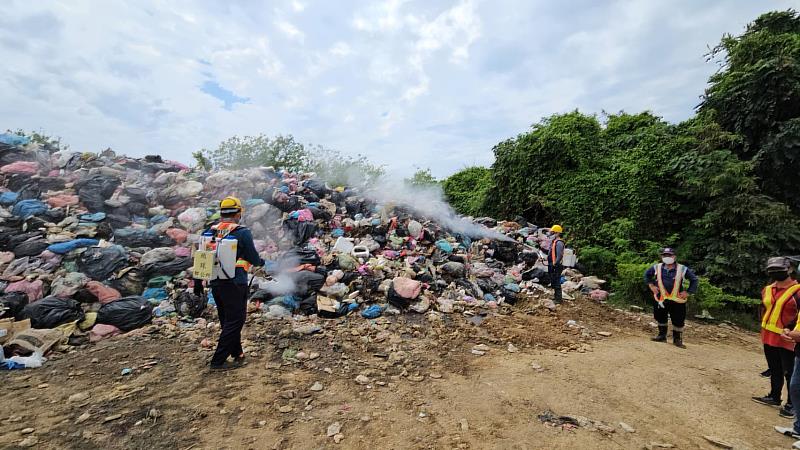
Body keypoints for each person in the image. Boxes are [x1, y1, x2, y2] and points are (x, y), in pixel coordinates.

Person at [195, 196, 264, 371]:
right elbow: (253, 258)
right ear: (238, 213)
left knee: (227, 319)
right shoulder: (241, 232)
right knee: (236, 320)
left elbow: (201, 257)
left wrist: (197, 281)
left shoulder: (208, 232)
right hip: (235, 282)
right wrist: (260, 262)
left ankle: (237, 352)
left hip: (216, 282)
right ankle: (218, 361)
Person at [753, 257, 800, 418]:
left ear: (790, 270)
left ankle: (791, 405)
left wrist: (792, 331)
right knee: (775, 368)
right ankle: (774, 396)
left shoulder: (797, 291)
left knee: (790, 372)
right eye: (772, 270)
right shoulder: (767, 289)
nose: (775, 272)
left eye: (779, 269)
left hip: (788, 338)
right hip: (768, 335)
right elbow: (764, 308)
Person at [643, 248, 698, 348]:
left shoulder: (682, 269)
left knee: (678, 319)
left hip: (677, 299)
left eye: (669, 255)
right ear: (662, 257)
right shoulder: (657, 267)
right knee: (660, 316)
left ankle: (677, 340)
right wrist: (651, 286)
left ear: (674, 257)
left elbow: (694, 280)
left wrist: (688, 292)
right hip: (661, 299)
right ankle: (662, 336)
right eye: (665, 255)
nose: (667, 257)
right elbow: (647, 275)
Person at [547, 225, 565, 304]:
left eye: (552, 232)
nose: (551, 234)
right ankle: (556, 296)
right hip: (553, 264)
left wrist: (555, 263)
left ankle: (558, 299)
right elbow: (552, 253)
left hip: (556, 265)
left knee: (556, 281)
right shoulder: (554, 242)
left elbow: (560, 255)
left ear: (557, 233)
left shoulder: (559, 243)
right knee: (553, 280)